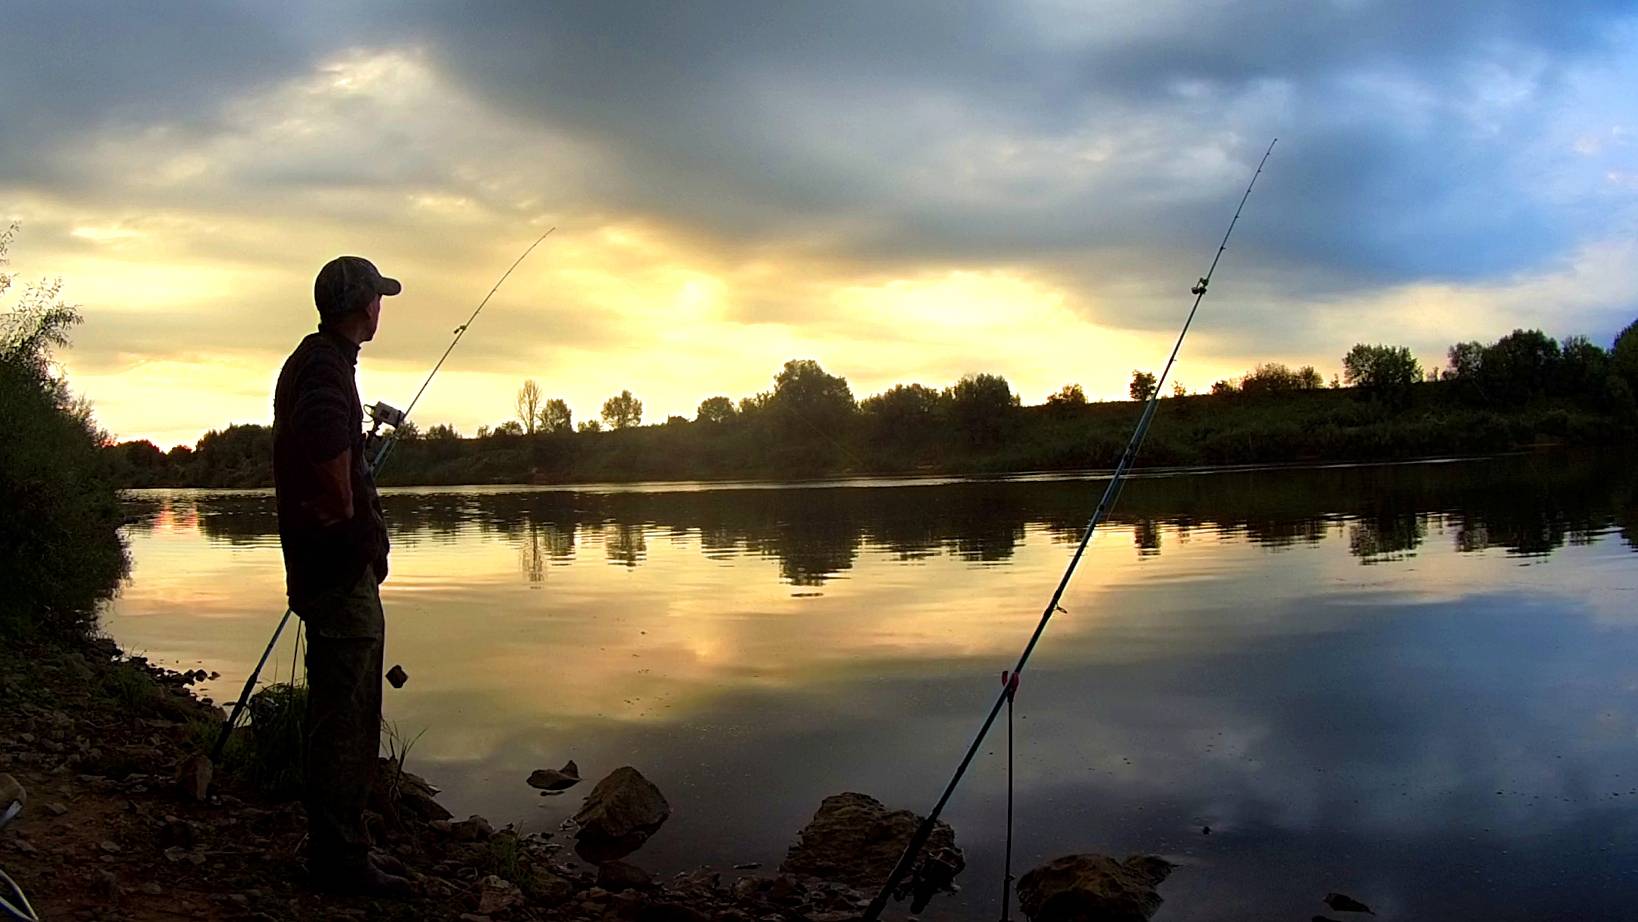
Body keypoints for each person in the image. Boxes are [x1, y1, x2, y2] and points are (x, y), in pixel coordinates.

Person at [272, 255, 409, 895]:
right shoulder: (326, 368)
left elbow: (332, 453)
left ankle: (339, 845)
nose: (381, 306)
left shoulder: (316, 360)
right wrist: (351, 528)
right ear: (360, 305)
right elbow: (326, 450)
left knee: (337, 709)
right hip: (337, 573)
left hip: (323, 568)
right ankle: (340, 862)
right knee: (348, 715)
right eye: (377, 297)